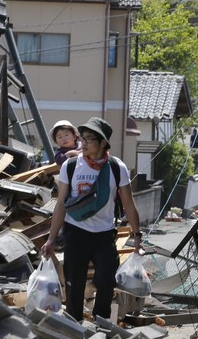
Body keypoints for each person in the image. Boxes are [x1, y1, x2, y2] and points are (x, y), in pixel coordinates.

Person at [40, 117, 143, 322]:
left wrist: (137, 235)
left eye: (89, 139)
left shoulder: (116, 167)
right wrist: (51, 239)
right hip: (75, 232)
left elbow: (129, 204)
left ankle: (100, 327)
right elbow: (61, 203)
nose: (83, 143)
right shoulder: (70, 166)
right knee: (74, 286)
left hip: (104, 235)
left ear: (103, 143)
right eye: (83, 138)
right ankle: (75, 327)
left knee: (106, 282)